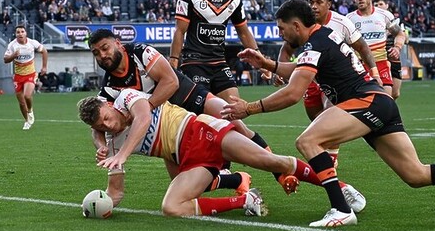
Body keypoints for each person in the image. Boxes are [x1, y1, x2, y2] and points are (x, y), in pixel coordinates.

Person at [222, 0, 435, 227]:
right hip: (379, 102)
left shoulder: (315, 43)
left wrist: (248, 108)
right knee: (415, 175)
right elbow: (299, 71)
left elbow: (293, 93)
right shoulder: (322, 38)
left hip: (366, 102)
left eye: (282, 29)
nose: (282, 35)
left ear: (297, 25)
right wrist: (268, 64)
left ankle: (341, 209)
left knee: (308, 141)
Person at [88, 29, 347, 201]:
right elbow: (96, 122)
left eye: (105, 48)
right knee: (184, 182)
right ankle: (237, 179)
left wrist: (145, 110)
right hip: (169, 121)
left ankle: (280, 173)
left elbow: (170, 84)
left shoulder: (140, 52)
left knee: (238, 125)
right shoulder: (109, 87)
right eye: (96, 53)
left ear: (117, 43)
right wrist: (101, 145)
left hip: (186, 96)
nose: (102, 55)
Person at [77, 89, 344, 217]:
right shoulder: (111, 143)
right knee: (172, 208)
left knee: (270, 161)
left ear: (108, 105)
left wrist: (121, 154)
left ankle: (340, 189)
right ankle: (245, 199)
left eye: (106, 118)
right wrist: (101, 205)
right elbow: (116, 191)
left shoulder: (126, 98)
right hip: (188, 159)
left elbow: (144, 118)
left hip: (202, 130)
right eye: (100, 126)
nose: (108, 126)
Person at [273, 0, 380, 168]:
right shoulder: (302, 24)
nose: (314, 6)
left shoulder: (341, 22)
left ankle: (331, 159)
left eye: (319, 2)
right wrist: (277, 69)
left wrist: (374, 71)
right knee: (316, 118)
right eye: (311, 2)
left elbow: (362, 47)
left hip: (336, 78)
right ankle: (327, 149)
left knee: (330, 113)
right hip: (309, 75)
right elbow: (287, 48)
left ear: (329, 4)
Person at [170, 0, 259, 102]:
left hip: (219, 63)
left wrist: (260, 59)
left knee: (234, 108)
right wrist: (173, 60)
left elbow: (244, 33)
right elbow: (179, 31)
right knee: (202, 112)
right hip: (194, 63)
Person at [348, 0, 407, 98]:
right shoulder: (349, 19)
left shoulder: (384, 15)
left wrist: (397, 47)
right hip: (360, 66)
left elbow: (399, 33)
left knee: (387, 99)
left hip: (381, 63)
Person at [3, 25, 48, 130]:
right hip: (18, 76)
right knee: (21, 102)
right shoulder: (12, 45)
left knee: (27, 96)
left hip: (30, 74)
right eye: (18, 32)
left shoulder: (32, 43)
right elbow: (5, 60)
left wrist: (44, 67)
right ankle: (27, 120)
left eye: (22, 31)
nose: (20, 34)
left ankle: (30, 110)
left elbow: (44, 51)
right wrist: (14, 55)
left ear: (26, 33)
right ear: (16, 34)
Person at [373, 0, 408, 99]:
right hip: (379, 58)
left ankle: (388, 110)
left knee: (395, 93)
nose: (378, 6)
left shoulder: (394, 21)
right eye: (376, 5)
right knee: (383, 91)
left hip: (393, 58)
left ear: (386, 5)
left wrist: (394, 35)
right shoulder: (373, 22)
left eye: (381, 4)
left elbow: (405, 39)